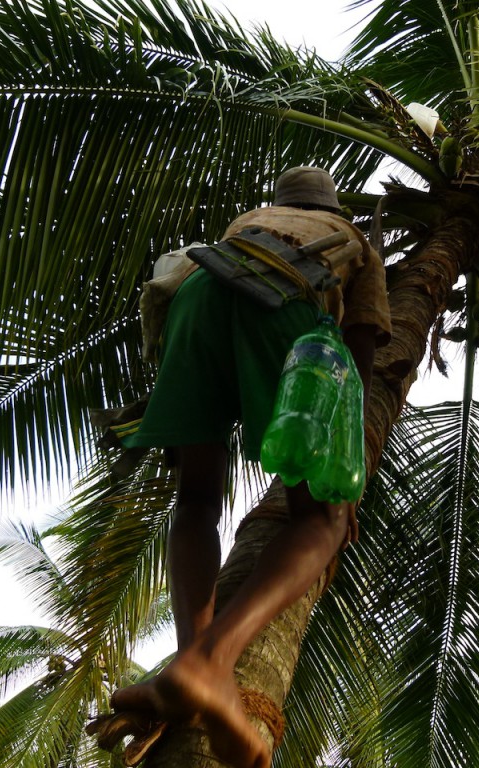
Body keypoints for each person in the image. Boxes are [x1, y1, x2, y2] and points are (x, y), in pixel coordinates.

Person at [106, 167, 392, 768]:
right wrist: (343, 467)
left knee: (199, 500)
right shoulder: (355, 240)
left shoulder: (245, 224)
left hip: (198, 300)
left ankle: (190, 664)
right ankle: (210, 665)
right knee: (322, 521)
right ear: (332, 205)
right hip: (286, 305)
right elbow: (361, 344)